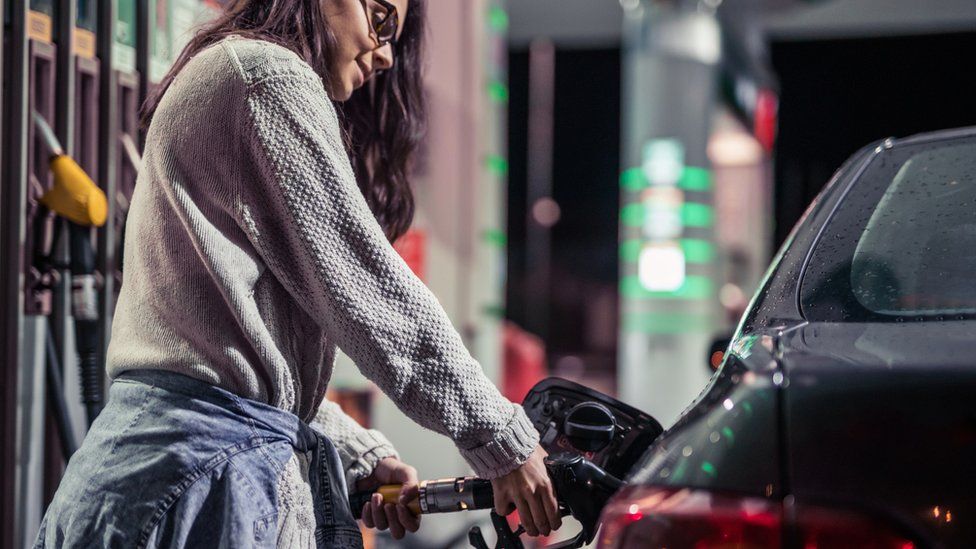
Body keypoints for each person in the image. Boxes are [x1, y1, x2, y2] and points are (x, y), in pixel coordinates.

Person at [34, 1, 561, 547]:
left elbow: (225, 368)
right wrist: (501, 437)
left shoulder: (237, 72)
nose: (384, 55)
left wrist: (356, 453)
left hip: (164, 481)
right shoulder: (266, 77)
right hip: (192, 487)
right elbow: (372, 294)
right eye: (380, 20)